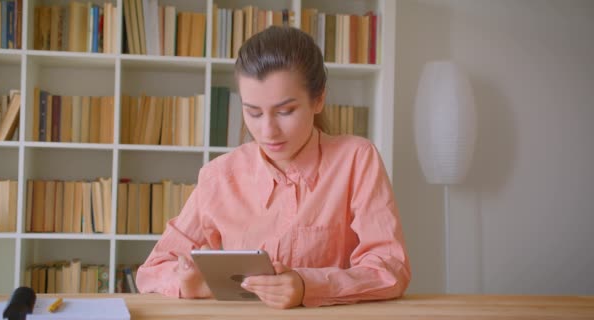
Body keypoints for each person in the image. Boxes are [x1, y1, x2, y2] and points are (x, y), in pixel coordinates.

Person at [135, 26, 411, 309]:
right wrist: (191, 284)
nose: (268, 131)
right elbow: (152, 270)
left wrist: (307, 286)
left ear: (318, 100)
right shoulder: (219, 176)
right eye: (253, 112)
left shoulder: (356, 159)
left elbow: (390, 269)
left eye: (285, 111)